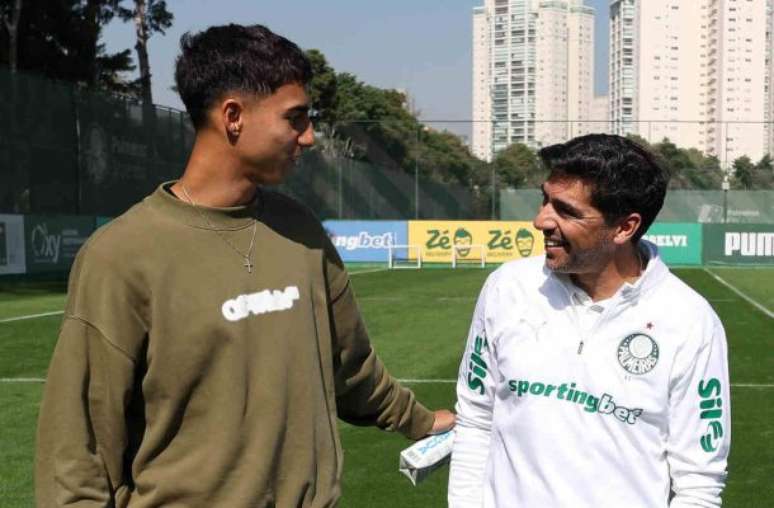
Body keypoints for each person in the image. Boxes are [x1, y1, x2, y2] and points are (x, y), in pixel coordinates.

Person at [35, 23, 454, 507]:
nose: (310, 137)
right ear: (233, 116)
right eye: (295, 118)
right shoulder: (121, 255)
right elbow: (78, 449)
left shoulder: (301, 230)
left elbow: (352, 369)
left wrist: (424, 422)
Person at [448, 134, 730, 507]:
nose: (540, 220)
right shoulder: (507, 288)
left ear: (625, 227)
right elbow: (476, 420)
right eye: (544, 199)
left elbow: (698, 482)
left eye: (566, 211)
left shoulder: (690, 322)